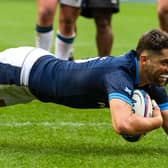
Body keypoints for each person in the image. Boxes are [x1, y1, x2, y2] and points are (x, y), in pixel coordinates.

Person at [0, 29, 168, 137]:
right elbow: (123, 124)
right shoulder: (119, 74)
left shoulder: (151, 82)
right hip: (23, 68)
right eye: (164, 62)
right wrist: (156, 122)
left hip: (32, 89)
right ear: (144, 60)